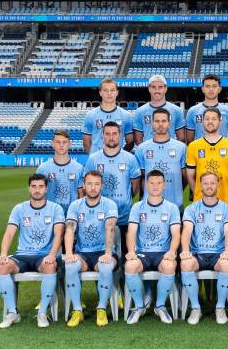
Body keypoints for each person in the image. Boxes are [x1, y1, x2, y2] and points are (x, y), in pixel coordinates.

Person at [0, 174, 65, 328]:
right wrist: (3, 254)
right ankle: (13, 313)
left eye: (40, 186)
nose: (37, 190)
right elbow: (9, 233)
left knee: (49, 266)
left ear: (46, 189)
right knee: (2, 266)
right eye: (33, 186)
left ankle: (42, 313)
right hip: (22, 255)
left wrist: (52, 254)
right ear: (29, 188)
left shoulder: (55, 208)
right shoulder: (19, 208)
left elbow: (59, 234)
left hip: (44, 255)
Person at [124, 170, 181, 325]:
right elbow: (131, 233)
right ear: (146, 184)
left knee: (169, 267)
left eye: (159, 183)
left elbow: (176, 234)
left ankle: (160, 305)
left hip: (163, 253)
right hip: (143, 252)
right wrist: (131, 251)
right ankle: (139, 306)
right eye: (152, 183)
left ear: (164, 185)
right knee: (130, 266)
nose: (155, 186)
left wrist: (172, 251)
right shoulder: (137, 207)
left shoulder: (172, 208)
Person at [179, 172, 228, 325]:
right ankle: (196, 308)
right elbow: (187, 231)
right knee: (185, 263)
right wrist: (185, 250)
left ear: (218, 184)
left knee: (226, 264)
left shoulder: (227, 209)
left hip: (218, 254)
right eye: (205, 183)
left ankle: (220, 307)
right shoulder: (192, 209)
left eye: (212, 183)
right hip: (198, 254)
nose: (209, 186)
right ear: (200, 186)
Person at [63, 170, 119, 327]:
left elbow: (110, 228)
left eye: (96, 184)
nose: (93, 188)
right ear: (84, 185)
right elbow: (69, 229)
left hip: (104, 251)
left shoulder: (109, 204)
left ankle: (101, 308)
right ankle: (77, 310)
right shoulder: (75, 205)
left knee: (106, 267)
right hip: (83, 253)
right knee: (71, 265)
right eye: (89, 184)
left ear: (102, 186)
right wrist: (68, 254)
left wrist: (108, 253)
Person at [83, 122, 140, 258]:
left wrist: (125, 199)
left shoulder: (130, 159)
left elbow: (135, 185)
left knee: (128, 258)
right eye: (107, 134)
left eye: (115, 133)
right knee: (102, 257)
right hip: (100, 218)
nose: (111, 137)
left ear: (120, 136)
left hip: (124, 217)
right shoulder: (93, 159)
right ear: (102, 136)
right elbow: (88, 185)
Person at [186, 107, 228, 205]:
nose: (210, 122)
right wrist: (199, 193)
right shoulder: (193, 146)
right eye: (207, 119)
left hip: (225, 202)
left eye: (214, 119)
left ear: (220, 122)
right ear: (202, 122)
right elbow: (190, 176)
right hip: (201, 202)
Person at [134, 108, 187, 210]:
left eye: (164, 121)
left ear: (169, 123)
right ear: (152, 123)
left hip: (176, 205)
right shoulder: (142, 148)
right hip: (150, 206)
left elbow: (185, 178)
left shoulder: (181, 148)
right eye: (157, 121)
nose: (160, 124)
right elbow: (142, 178)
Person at [36, 130, 84, 215]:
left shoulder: (79, 168)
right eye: (58, 142)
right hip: (50, 214)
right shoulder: (43, 169)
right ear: (52, 144)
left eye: (64, 142)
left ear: (69, 144)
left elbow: (81, 194)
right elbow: (38, 194)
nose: (61, 145)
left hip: (72, 215)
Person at [82, 78, 133, 154]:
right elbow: (86, 142)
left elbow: (130, 141)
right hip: (97, 162)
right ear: (100, 93)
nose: (109, 93)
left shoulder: (126, 115)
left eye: (112, 90)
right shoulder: (90, 115)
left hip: (118, 162)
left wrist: (120, 156)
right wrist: (94, 157)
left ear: (117, 92)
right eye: (105, 90)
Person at [185, 74, 228, 143]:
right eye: (207, 86)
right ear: (202, 89)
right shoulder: (193, 111)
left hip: (221, 152)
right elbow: (189, 140)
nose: (211, 89)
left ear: (219, 89)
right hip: (201, 152)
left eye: (214, 86)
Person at [133, 75, 186, 144]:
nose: (157, 90)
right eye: (153, 87)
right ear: (149, 88)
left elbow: (181, 138)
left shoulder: (176, 111)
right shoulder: (140, 111)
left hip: (170, 152)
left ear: (165, 88)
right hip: (149, 153)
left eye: (160, 87)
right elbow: (138, 140)